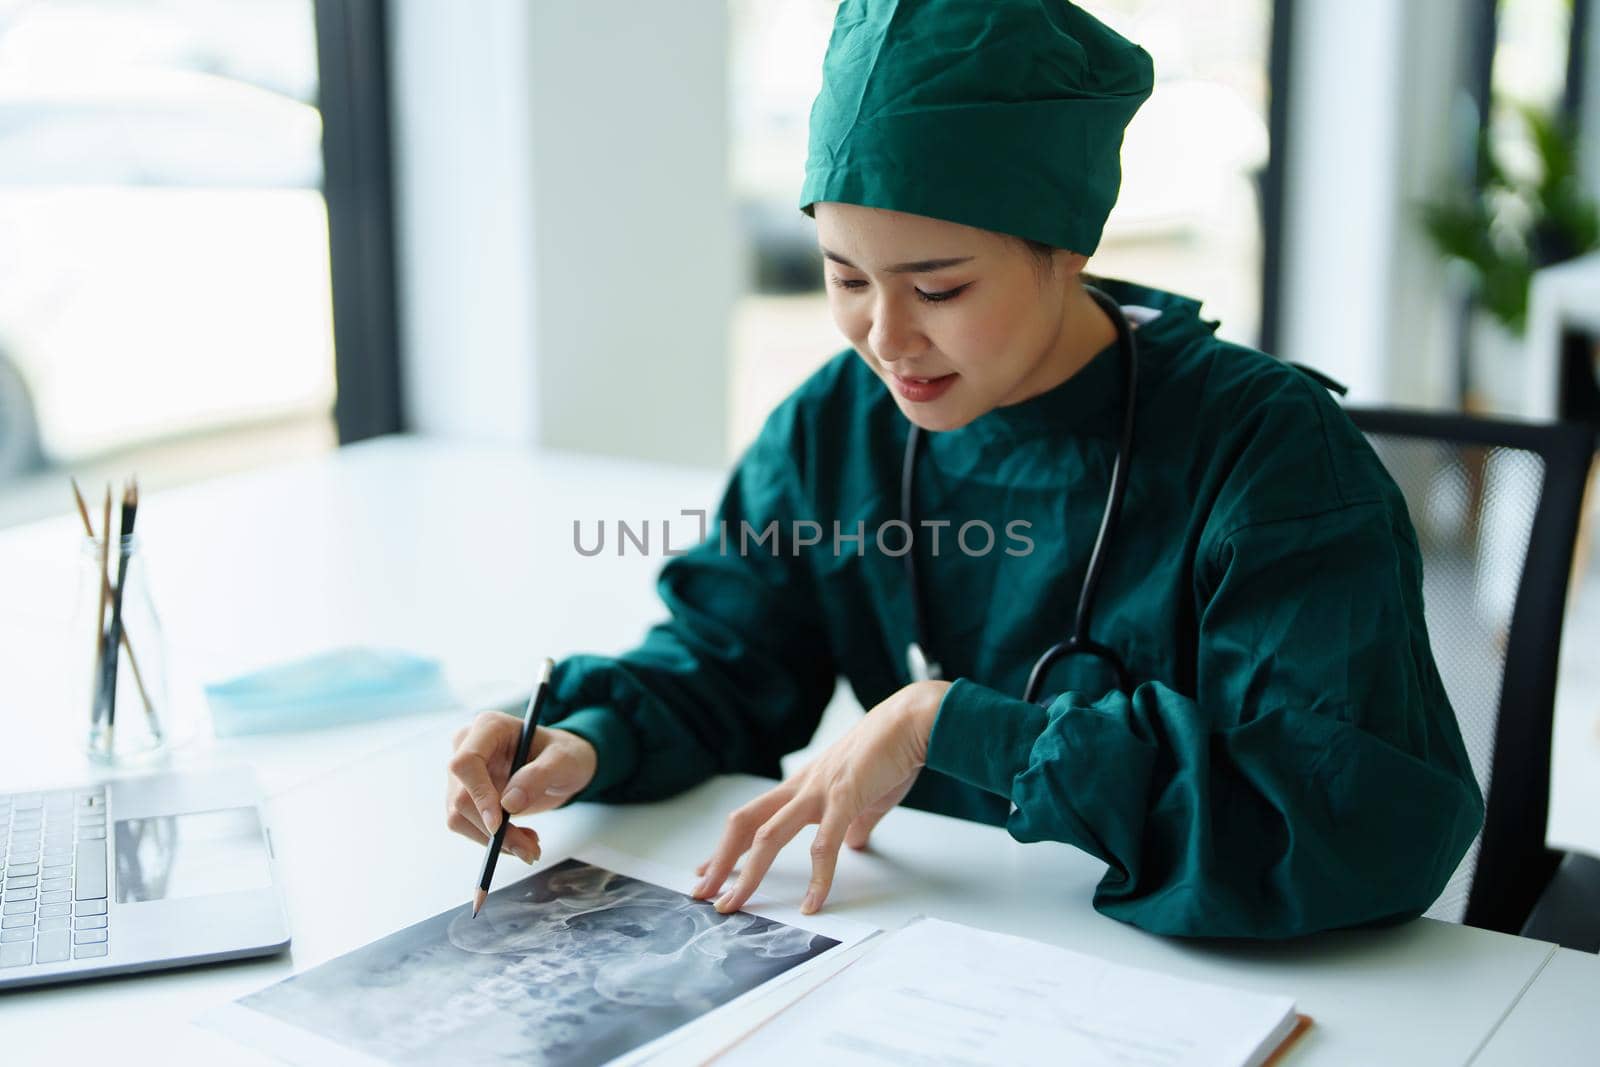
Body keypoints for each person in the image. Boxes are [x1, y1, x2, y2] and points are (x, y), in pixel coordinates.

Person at [444, 0, 1484, 938]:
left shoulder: (1268, 453)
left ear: (1067, 246)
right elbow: (730, 654)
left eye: (937, 287)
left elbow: (1349, 818)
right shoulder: (835, 424)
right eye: (845, 277)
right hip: (923, 939)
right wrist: (585, 737)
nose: (885, 338)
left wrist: (956, 721)